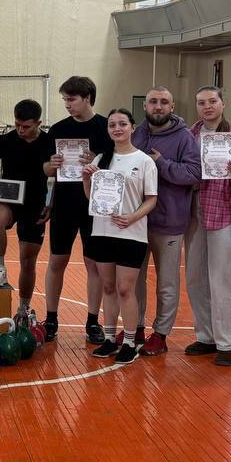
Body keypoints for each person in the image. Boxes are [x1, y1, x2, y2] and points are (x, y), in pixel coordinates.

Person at [83, 109, 158, 365]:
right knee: (108, 287)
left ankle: (130, 341)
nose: (117, 128)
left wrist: (133, 217)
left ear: (132, 127)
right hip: (102, 231)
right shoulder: (102, 158)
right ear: (108, 130)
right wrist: (86, 179)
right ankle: (109, 338)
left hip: (131, 234)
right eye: (112, 124)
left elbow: (152, 199)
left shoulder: (144, 161)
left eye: (122, 124)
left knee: (125, 289)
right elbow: (92, 198)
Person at [42, 76, 114, 344]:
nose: (67, 104)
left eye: (71, 99)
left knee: (93, 264)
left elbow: (114, 169)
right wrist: (52, 164)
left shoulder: (106, 127)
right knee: (56, 261)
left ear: (88, 98)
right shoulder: (58, 129)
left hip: (94, 206)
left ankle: (93, 321)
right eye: (65, 99)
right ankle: (51, 318)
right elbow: (46, 170)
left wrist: (96, 163)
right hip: (64, 204)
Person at [131, 87, 201, 356]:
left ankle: (160, 334)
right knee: (133, 280)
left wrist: (161, 163)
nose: (158, 107)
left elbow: (193, 174)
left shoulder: (184, 137)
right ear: (145, 106)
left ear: (172, 107)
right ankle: (135, 327)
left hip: (169, 222)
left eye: (163, 102)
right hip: (136, 220)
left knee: (167, 284)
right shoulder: (136, 133)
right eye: (153, 102)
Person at [184, 86, 231, 366]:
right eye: (202, 102)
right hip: (194, 212)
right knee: (195, 278)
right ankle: (206, 336)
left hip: (224, 212)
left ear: (223, 104)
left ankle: (228, 343)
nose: (207, 106)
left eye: (213, 101)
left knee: (222, 280)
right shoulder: (189, 136)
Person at [0, 99, 49, 309]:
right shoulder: (7, 139)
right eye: (17, 124)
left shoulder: (49, 142)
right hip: (8, 197)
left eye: (26, 126)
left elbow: (62, 175)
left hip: (35, 204)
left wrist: (53, 204)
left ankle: (23, 309)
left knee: (27, 261)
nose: (20, 130)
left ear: (38, 123)